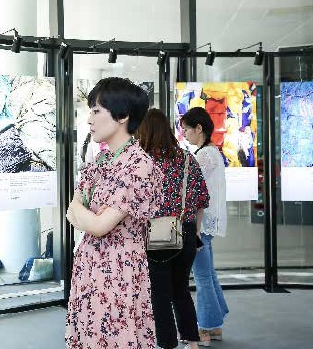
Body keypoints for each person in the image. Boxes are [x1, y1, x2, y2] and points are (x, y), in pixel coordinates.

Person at [65, 77, 163, 348]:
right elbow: (72, 210)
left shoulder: (139, 165)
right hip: (90, 265)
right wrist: (85, 215)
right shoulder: (100, 160)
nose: (89, 119)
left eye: (96, 111)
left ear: (122, 116)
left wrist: (84, 215)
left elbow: (98, 226)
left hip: (119, 270)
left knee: (117, 337)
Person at [135, 109, 210, 349]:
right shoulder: (187, 159)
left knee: (160, 294)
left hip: (158, 231)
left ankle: (167, 344)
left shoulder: (143, 161)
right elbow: (202, 200)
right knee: (181, 290)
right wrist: (196, 232)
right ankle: (192, 342)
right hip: (186, 230)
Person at [180, 106, 229, 345]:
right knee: (208, 274)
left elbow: (188, 188)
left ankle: (205, 329)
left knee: (202, 277)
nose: (184, 134)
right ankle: (215, 324)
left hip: (200, 225)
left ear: (199, 128)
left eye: (186, 129)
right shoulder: (211, 152)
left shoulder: (204, 156)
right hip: (207, 224)